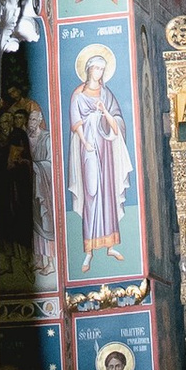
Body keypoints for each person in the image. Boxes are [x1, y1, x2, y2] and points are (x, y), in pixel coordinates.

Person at [68, 46, 132, 259]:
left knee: (107, 192)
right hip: (89, 149)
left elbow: (117, 122)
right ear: (89, 70)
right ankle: (88, 249)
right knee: (92, 192)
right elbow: (76, 123)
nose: (100, 73)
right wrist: (85, 142)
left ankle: (110, 244)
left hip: (105, 147)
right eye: (97, 69)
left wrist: (105, 112)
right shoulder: (78, 94)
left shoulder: (106, 94)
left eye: (103, 70)